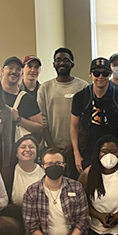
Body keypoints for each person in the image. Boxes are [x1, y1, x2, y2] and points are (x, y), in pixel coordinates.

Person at [20, 148, 90, 235]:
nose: (54, 166)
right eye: (50, 164)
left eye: (58, 163)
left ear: (64, 165)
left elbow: (82, 222)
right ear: (43, 166)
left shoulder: (76, 187)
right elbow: (31, 228)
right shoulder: (31, 191)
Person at [70, 57, 118, 173]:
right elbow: (73, 126)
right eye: (96, 73)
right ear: (90, 74)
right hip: (87, 149)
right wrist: (76, 153)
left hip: (113, 149)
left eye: (104, 73)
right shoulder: (80, 97)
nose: (100, 77)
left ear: (110, 74)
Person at [37, 47, 89, 178]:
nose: (61, 63)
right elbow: (42, 120)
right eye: (58, 60)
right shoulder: (45, 88)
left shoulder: (83, 86)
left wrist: (73, 146)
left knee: (77, 183)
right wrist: (52, 147)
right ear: (53, 64)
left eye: (66, 60)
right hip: (51, 147)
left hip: (78, 148)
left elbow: (85, 120)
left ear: (72, 63)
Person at [0, 135, 44, 235]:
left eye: (31, 147)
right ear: (16, 152)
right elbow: (3, 203)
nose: (27, 149)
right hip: (17, 217)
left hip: (46, 218)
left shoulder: (45, 170)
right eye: (23, 147)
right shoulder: (7, 174)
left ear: (37, 151)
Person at [0, 56, 43, 138]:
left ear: (21, 73)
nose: (14, 71)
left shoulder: (26, 99)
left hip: (19, 148)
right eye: (10, 68)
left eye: (18, 69)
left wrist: (18, 119)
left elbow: (39, 127)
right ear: (2, 70)